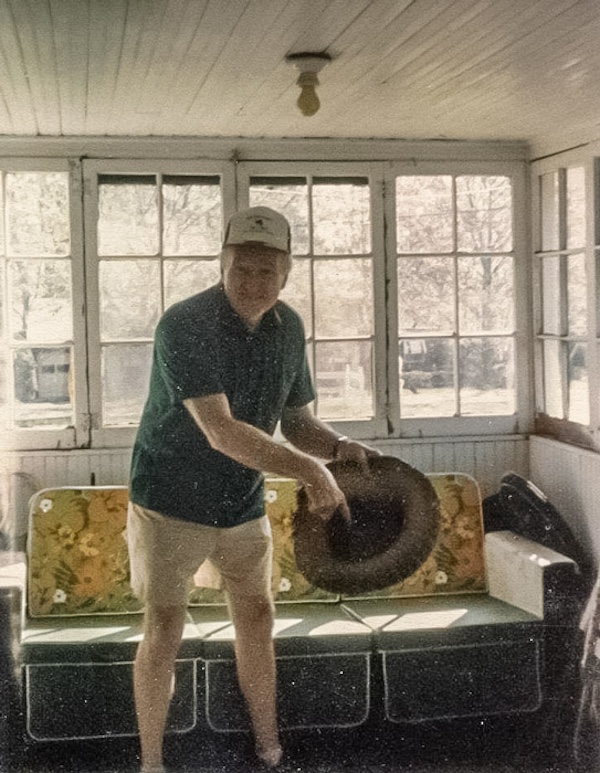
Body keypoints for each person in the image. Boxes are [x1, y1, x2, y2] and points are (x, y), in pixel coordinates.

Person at [127, 205, 379, 773]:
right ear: (222, 263)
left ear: (287, 272)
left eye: (267, 270)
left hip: (240, 501)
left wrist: (338, 449)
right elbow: (220, 430)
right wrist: (313, 473)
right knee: (165, 627)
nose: (252, 280)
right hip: (169, 499)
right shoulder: (184, 323)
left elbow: (298, 423)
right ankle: (151, 763)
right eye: (241, 266)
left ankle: (270, 749)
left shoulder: (288, 326)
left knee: (258, 616)